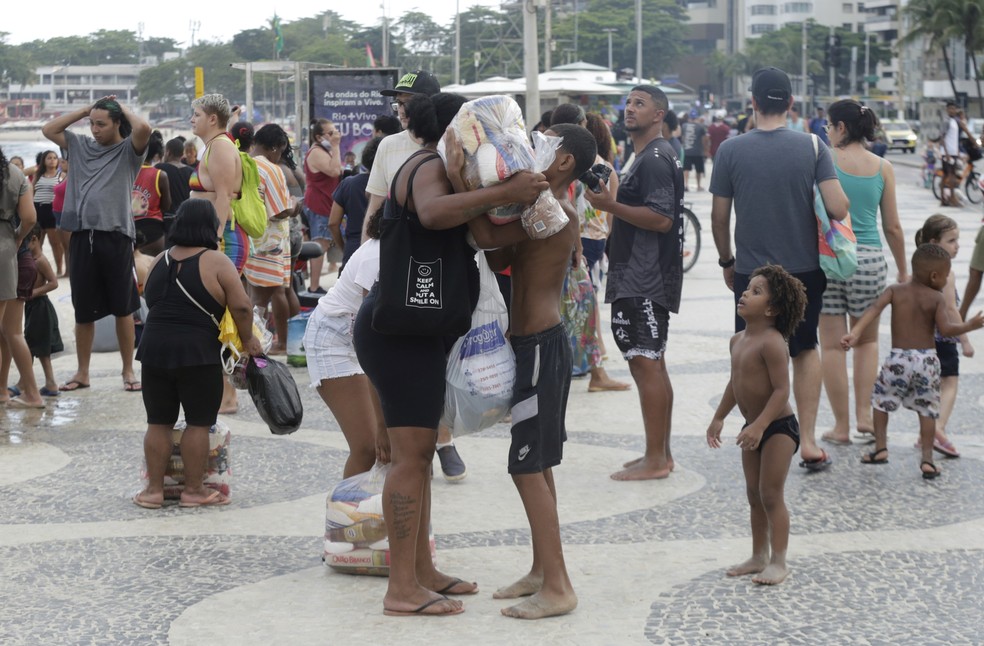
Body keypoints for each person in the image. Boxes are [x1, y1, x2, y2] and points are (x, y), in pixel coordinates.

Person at [352, 92, 548, 617]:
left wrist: (527, 198)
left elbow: (484, 237)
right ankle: (401, 588)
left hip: (418, 328)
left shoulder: (453, 174)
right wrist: (506, 188)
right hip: (400, 334)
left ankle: (422, 571)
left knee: (416, 457)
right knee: (412, 458)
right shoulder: (428, 167)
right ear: (457, 131)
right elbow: (435, 215)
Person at [457, 123, 597, 619]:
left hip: (539, 348)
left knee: (525, 466)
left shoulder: (551, 210)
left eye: (545, 142)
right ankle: (542, 569)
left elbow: (481, 234)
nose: (532, 144)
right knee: (538, 463)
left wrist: (463, 178)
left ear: (561, 162)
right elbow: (501, 255)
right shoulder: (539, 207)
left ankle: (559, 587)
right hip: (534, 345)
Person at [711, 67, 850, 472]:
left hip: (752, 273)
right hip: (803, 272)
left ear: (751, 102)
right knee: (805, 350)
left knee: (751, 353)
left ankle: (756, 430)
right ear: (790, 103)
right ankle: (805, 440)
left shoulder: (731, 151)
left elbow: (720, 217)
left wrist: (726, 261)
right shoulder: (812, 146)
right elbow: (839, 208)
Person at [363, 70, 466, 480]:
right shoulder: (390, 146)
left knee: (433, 357)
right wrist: (365, 259)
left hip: (445, 266)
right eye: (396, 103)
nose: (399, 110)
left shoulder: (455, 147)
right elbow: (376, 205)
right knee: (388, 345)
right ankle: (395, 437)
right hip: (397, 262)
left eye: (406, 103)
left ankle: (442, 438)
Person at [132, 199, 263, 509]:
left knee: (158, 422)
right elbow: (242, 306)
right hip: (197, 353)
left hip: (153, 350)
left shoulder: (158, 259)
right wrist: (249, 341)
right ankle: (193, 491)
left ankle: (152, 491)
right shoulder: (217, 261)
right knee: (198, 423)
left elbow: (150, 298)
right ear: (209, 227)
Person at [583, 85, 683, 481]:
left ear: (659, 114)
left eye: (640, 104)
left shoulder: (656, 158)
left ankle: (657, 458)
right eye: (628, 103)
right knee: (652, 363)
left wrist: (609, 206)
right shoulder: (645, 156)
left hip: (645, 276)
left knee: (646, 363)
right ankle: (659, 452)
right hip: (638, 273)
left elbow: (662, 219)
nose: (630, 110)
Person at [841, 244, 984, 479]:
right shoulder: (936, 298)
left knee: (880, 401)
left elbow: (873, 310)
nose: (947, 279)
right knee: (928, 410)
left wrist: (855, 333)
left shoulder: (895, 291)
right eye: (946, 275)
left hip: (899, 358)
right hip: (927, 361)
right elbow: (947, 329)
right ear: (934, 276)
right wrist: (969, 326)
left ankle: (880, 448)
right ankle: (927, 460)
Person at [41, 95, 151, 393]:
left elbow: (144, 129)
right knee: (83, 309)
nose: (95, 129)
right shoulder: (79, 145)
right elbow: (48, 130)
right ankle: (82, 372)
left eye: (101, 124)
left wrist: (123, 109)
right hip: (81, 235)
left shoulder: (129, 150)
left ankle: (128, 371)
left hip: (116, 236)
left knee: (123, 307)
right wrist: (85, 110)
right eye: (92, 124)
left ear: (118, 124)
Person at [706, 264, 807, 586]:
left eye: (756, 291)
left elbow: (782, 390)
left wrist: (761, 426)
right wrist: (719, 416)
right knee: (753, 494)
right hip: (753, 427)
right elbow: (734, 383)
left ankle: (779, 561)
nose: (745, 294)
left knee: (771, 494)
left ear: (773, 308)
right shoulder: (738, 340)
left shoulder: (773, 342)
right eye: (748, 288)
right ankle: (758, 555)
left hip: (778, 428)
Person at [817, 100, 908, 446]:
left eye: (828, 125)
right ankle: (865, 418)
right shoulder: (882, 166)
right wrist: (902, 268)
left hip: (827, 258)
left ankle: (840, 426)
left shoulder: (823, 159)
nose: (826, 130)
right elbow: (893, 226)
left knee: (831, 345)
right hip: (869, 258)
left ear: (841, 127)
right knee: (867, 341)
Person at [305, 207, 386, 478]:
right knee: (367, 446)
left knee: (387, 447)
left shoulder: (401, 249)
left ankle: (378, 516)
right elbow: (374, 339)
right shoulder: (377, 255)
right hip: (334, 338)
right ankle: (346, 517)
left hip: (356, 338)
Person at [912, 215, 970, 458]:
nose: (957, 245)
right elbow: (951, 309)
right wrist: (964, 340)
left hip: (921, 339)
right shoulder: (946, 273)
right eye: (952, 240)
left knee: (929, 387)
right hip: (944, 340)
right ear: (935, 242)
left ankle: (924, 433)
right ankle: (938, 428)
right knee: (949, 383)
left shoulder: (919, 270)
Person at [241, 123, 297, 354]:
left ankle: (253, 341)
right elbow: (280, 210)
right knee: (266, 297)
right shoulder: (271, 169)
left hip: (247, 237)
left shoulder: (242, 163)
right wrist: (293, 206)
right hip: (269, 241)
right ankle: (261, 343)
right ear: (276, 147)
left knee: (251, 294)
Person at [0, 147, 44, 408]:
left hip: (14, 257)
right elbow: (29, 218)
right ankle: (10, 391)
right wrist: (16, 238)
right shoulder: (14, 173)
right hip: (8, 252)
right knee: (11, 332)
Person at [188, 94, 246, 274]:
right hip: (212, 235)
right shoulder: (215, 145)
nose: (192, 119)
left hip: (223, 238)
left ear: (212, 119)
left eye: (197, 115)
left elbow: (224, 195)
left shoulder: (220, 147)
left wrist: (215, 240)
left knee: (220, 301)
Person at [22, 224, 64, 397]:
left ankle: (45, 383)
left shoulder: (40, 261)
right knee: (31, 343)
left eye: (25, 243)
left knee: (38, 346)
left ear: (34, 239)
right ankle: (38, 382)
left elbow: (54, 282)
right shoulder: (31, 259)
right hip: (32, 307)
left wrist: (34, 293)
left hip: (41, 306)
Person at [303, 118, 343, 293]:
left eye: (335, 131)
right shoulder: (317, 152)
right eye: (330, 133)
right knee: (320, 245)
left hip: (326, 202)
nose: (335, 136)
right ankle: (313, 286)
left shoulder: (324, 150)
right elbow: (334, 171)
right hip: (319, 203)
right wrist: (335, 146)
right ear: (319, 137)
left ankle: (314, 285)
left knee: (324, 243)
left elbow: (338, 169)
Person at [329, 136, 381, 268]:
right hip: (384, 250)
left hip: (354, 249)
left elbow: (333, 223)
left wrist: (344, 247)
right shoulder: (394, 185)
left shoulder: (348, 184)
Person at [132, 131, 171, 256]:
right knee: (153, 271)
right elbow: (166, 206)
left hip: (129, 229)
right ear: (155, 154)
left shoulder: (126, 172)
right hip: (154, 233)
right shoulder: (160, 175)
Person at [31, 150, 66, 275]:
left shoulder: (60, 175)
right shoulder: (38, 175)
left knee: (55, 243)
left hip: (51, 210)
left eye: (54, 158)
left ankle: (59, 269)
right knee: (36, 242)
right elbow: (31, 192)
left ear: (58, 161)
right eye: (49, 158)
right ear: (44, 161)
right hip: (37, 209)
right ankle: (37, 270)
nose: (52, 160)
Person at [939, 101, 975, 207]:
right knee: (951, 176)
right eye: (950, 109)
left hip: (953, 152)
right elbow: (942, 137)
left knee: (947, 175)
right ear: (947, 110)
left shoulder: (955, 121)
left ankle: (943, 200)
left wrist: (973, 142)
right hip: (948, 153)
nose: (952, 110)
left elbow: (964, 131)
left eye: (954, 109)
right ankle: (952, 199)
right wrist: (946, 153)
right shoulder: (946, 121)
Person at [156, 136, 194, 217]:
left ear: (168, 152)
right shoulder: (192, 172)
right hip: (186, 217)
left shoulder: (159, 168)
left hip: (166, 218)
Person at [680, 114, 708, 191]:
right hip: (698, 151)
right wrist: (705, 150)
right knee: (698, 169)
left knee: (686, 169)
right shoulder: (700, 126)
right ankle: (698, 186)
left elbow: (683, 137)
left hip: (687, 151)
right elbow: (704, 139)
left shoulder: (684, 126)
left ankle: (686, 185)